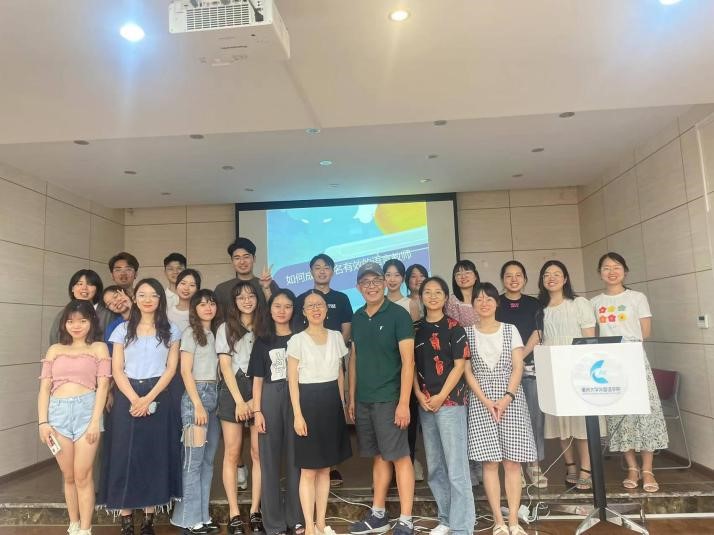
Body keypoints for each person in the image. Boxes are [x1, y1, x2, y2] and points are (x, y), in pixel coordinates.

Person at [98, 278, 182, 535]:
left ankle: (148, 519)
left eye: (153, 295)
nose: (148, 299)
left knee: (153, 454)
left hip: (159, 393)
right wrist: (135, 399)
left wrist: (148, 398)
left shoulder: (171, 330)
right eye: (142, 294)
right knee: (124, 453)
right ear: (135, 298)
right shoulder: (122, 330)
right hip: (127, 394)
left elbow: (171, 368)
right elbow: (116, 368)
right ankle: (126, 519)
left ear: (160, 299)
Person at [591, 252, 668, 493]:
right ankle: (632, 467)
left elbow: (645, 331)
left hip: (634, 359)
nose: (611, 271)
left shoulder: (637, 297)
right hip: (610, 364)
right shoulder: (594, 302)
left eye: (616, 267)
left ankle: (648, 469)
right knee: (620, 414)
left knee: (645, 413)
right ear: (600, 273)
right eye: (606, 267)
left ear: (625, 271)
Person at [348, 262, 415, 535]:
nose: (371, 286)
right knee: (378, 456)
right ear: (358, 287)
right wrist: (351, 398)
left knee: (400, 457)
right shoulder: (357, 317)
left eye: (376, 280)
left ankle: (406, 519)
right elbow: (354, 359)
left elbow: (408, 362)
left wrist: (403, 402)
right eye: (365, 282)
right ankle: (378, 515)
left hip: (390, 399)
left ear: (385, 283)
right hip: (364, 399)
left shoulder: (399, 315)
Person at [464, 283, 536, 535]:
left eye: (489, 299)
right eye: (479, 299)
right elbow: (467, 371)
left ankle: (513, 520)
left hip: (511, 400)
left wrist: (506, 398)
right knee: (490, 463)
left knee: (513, 462)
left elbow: (518, 366)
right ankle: (498, 521)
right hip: (480, 401)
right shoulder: (466, 333)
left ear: (497, 303)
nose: (484, 303)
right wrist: (486, 400)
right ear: (473, 304)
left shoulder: (510, 329)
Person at [38, 300, 111, 535]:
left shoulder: (99, 348)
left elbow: (103, 386)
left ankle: (86, 528)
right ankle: (74, 524)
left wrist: (95, 421)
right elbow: (44, 389)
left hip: (87, 412)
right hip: (57, 414)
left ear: (92, 322)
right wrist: (43, 422)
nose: (76, 326)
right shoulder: (55, 349)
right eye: (70, 321)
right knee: (68, 475)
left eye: (82, 320)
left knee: (83, 475)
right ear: (64, 324)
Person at [413, 277, 475, 535]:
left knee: (456, 467)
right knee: (436, 466)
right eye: (427, 292)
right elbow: (411, 366)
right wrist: (419, 394)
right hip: (426, 404)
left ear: (446, 297)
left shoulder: (455, 327)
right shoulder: (415, 328)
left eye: (438, 292)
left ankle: (463, 526)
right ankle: (446, 518)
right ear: (421, 297)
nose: (432, 296)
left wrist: (440, 396)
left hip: (450, 403)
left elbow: (460, 366)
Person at [287, 290, 352, 535]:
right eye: (310, 306)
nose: (316, 309)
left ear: (326, 309)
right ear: (303, 312)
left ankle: (321, 522)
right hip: (307, 403)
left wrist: (342, 403)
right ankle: (309, 526)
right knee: (308, 469)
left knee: (325, 468)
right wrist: (297, 414)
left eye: (320, 305)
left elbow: (340, 373)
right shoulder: (297, 340)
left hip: (331, 404)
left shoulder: (336, 337)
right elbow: (292, 381)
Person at [537, 260, 603, 492]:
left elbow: (589, 338)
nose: (551, 278)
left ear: (565, 278)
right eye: (547, 274)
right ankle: (570, 466)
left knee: (581, 422)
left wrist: (584, 367)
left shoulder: (579, 303)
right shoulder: (540, 309)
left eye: (557, 273)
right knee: (562, 422)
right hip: (552, 369)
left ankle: (586, 469)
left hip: (578, 369)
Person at [293, 253, 353, 487]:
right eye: (317, 267)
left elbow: (347, 329)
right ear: (311, 272)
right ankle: (312, 465)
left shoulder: (341, 298)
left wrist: (331, 347)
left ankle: (332, 466)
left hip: (332, 360)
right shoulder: (302, 299)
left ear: (333, 271)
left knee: (331, 420)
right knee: (311, 423)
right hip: (308, 370)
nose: (321, 271)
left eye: (326, 267)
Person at [249, 289, 305, 535]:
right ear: (269, 309)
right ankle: (273, 523)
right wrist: (257, 411)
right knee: (269, 461)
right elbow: (257, 379)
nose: (282, 311)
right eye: (277, 306)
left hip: (297, 398)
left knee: (297, 459)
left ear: (294, 310)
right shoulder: (262, 340)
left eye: (288, 306)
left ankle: (297, 518)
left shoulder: (301, 338)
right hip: (270, 397)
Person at [171, 290, 222, 534]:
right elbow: (185, 371)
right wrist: (198, 404)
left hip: (215, 395)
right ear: (194, 309)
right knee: (192, 462)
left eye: (211, 303)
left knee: (208, 462)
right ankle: (188, 520)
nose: (208, 307)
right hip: (196, 399)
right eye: (202, 304)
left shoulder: (216, 333)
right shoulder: (191, 333)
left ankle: (202, 516)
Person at [216, 281, 265, 535]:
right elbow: (225, 366)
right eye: (241, 297)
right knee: (232, 453)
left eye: (251, 295)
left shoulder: (265, 326)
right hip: (232, 389)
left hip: (260, 390)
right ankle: (234, 513)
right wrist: (239, 401)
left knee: (258, 453)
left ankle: (256, 510)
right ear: (234, 302)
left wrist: (254, 401)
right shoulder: (225, 327)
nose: (247, 300)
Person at [495, 261, 547, 489]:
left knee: (535, 417)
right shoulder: (495, 302)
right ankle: (514, 465)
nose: (514, 279)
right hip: (503, 370)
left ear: (525, 279)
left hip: (530, 368)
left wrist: (520, 356)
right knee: (510, 419)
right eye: (509, 275)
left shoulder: (534, 304)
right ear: (502, 279)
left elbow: (538, 333)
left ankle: (534, 464)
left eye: (518, 275)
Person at [385, 259, 424, 482]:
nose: (392, 279)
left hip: (406, 370)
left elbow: (415, 341)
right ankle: (388, 469)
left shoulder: (411, 304)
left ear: (403, 279)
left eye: (397, 275)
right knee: (386, 422)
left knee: (407, 420)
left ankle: (409, 462)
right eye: (388, 275)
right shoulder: (377, 303)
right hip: (384, 373)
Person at [214, 238, 279, 317]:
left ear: (254, 259)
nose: (242, 261)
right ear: (232, 261)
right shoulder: (222, 289)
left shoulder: (269, 285)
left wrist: (266, 289)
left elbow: (278, 313)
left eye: (246, 257)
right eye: (237, 258)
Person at [49, 269, 114, 345]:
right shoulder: (63, 313)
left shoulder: (107, 314)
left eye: (90, 284)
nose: (84, 288)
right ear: (72, 288)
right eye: (80, 284)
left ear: (97, 289)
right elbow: (54, 340)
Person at [446, 260, 479, 327]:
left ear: (476, 276)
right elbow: (452, 328)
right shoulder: (452, 301)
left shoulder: (483, 297)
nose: (463, 277)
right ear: (455, 279)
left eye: (467, 272)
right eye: (458, 274)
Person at [168, 269, 202, 333]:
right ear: (176, 286)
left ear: (197, 289)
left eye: (192, 285)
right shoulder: (168, 313)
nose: (186, 288)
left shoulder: (201, 312)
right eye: (183, 283)